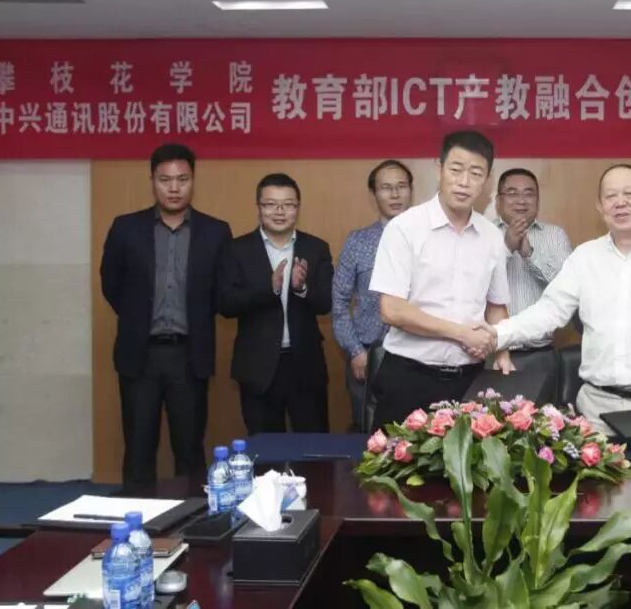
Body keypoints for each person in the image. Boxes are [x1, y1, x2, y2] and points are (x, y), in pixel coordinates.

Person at [488, 164, 631, 435]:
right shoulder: (585, 257)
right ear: (600, 207)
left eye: (629, 194)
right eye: (610, 196)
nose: (620, 202)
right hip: (596, 413)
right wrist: (495, 335)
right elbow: (549, 311)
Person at [99, 143, 231, 487]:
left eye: (182, 180)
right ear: (152, 181)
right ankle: (136, 515)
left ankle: (193, 516)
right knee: (138, 447)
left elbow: (221, 292)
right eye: (165, 180)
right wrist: (137, 317)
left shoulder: (216, 232)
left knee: (189, 449)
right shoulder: (125, 228)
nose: (174, 188)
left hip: (189, 356)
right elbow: (111, 284)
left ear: (193, 181)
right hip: (139, 355)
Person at [368, 129, 514, 430]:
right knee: (396, 460)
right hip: (409, 379)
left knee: (468, 462)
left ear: (487, 180)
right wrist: (461, 334)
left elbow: (496, 307)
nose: (464, 182)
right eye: (456, 169)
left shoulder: (491, 236)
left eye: (476, 173)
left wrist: (501, 350)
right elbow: (392, 310)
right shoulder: (405, 228)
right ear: (439, 168)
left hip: (469, 382)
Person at [218, 173, 334, 434]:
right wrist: (268, 289)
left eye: (288, 205)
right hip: (257, 368)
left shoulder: (316, 248)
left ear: (298, 207)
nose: (279, 212)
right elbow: (225, 303)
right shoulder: (236, 250)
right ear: (259, 207)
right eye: (271, 204)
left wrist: (301, 288)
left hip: (305, 365)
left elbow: (326, 303)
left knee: (313, 447)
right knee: (265, 450)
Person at [332, 160, 414, 431]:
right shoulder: (358, 241)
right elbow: (339, 303)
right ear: (373, 194)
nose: (395, 194)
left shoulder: (430, 239)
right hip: (367, 355)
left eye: (401, 186)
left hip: (418, 354)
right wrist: (355, 351)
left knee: (416, 434)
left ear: (411, 190)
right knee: (368, 435)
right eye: (386, 188)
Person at [494, 167, 573, 352]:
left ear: (538, 200)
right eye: (512, 193)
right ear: (498, 201)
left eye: (529, 194)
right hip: (492, 350)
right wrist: (506, 249)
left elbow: (567, 289)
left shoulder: (555, 235)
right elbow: (473, 284)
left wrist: (530, 254)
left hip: (540, 351)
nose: (521, 200)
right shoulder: (483, 234)